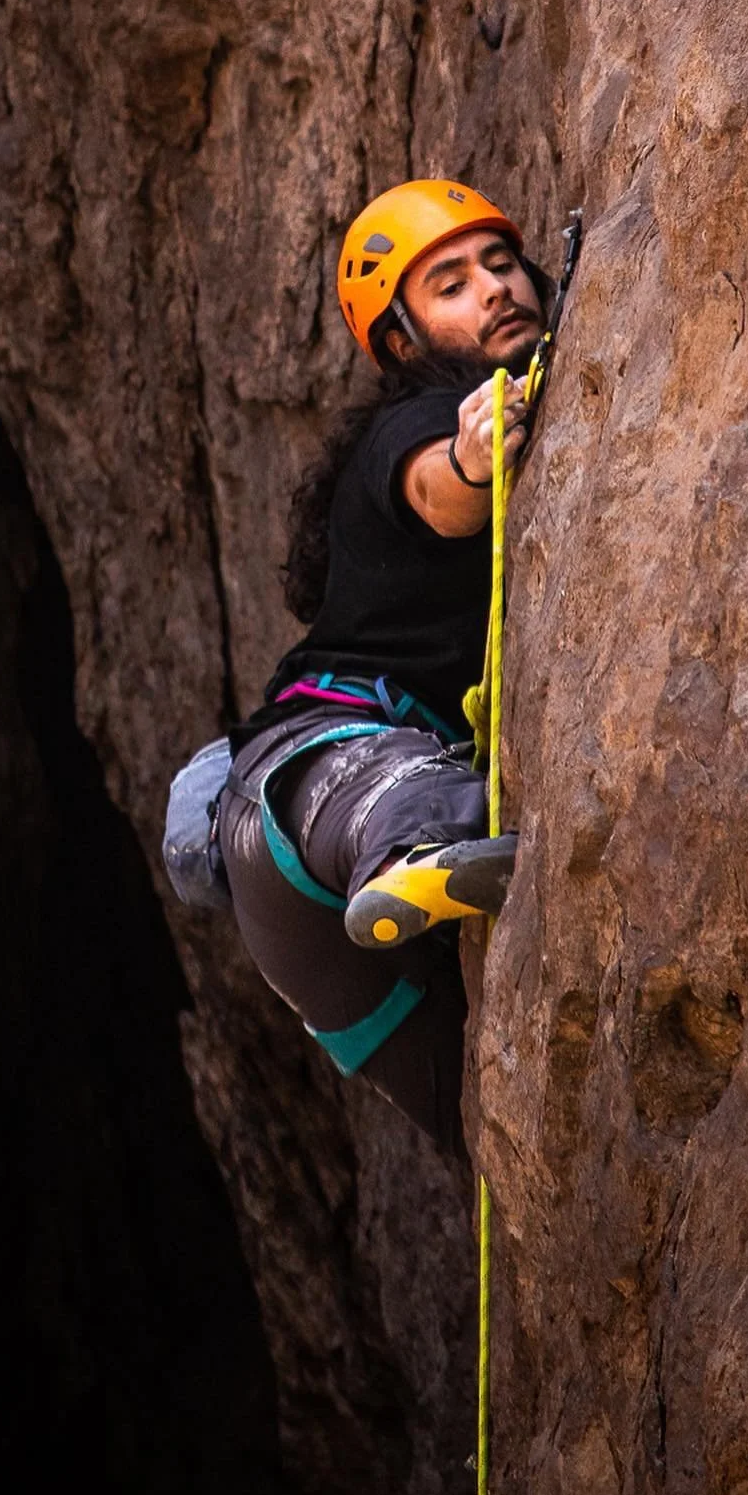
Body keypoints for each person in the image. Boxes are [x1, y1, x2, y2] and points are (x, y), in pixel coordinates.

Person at [218, 179, 549, 1153]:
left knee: (505, 1149)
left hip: (321, 934)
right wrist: (478, 454)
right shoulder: (412, 425)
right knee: (407, 794)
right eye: (451, 283)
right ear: (403, 342)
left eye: (501, 263)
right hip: (324, 781)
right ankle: (415, 845)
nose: (493, 288)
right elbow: (438, 485)